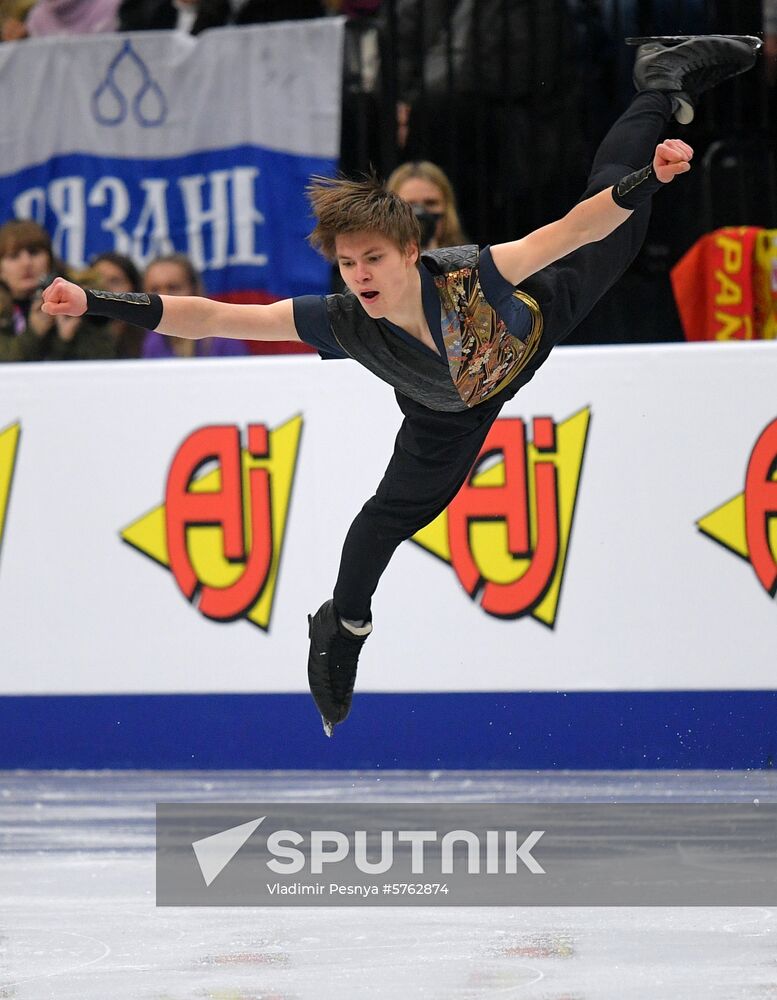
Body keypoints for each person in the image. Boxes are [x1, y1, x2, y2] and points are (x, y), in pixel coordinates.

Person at [41, 36, 761, 735]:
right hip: (444, 412)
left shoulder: (468, 274)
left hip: (531, 327)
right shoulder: (343, 321)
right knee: (387, 519)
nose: (359, 275)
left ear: (410, 252)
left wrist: (653, 179)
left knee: (620, 222)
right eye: (348, 262)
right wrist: (96, 302)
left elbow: (575, 227)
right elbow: (212, 313)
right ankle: (343, 625)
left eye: (373, 259)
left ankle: (659, 81)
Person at [141, 254, 250, 359]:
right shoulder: (141, 340)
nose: (163, 297)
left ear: (195, 290)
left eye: (173, 288)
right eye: (154, 290)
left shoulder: (224, 341)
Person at [386, 161, 466, 251]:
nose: (420, 212)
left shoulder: (467, 261)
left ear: (447, 208)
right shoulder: (377, 262)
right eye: (409, 204)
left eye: (431, 203)